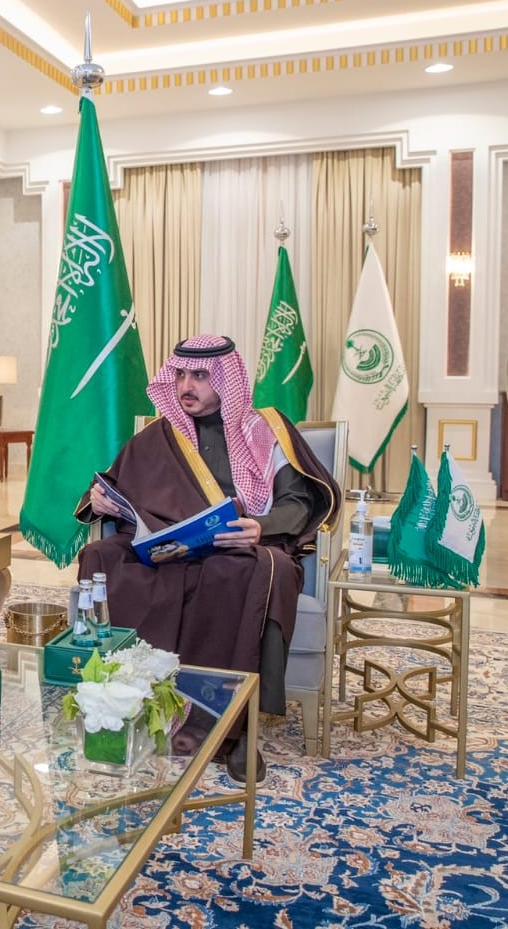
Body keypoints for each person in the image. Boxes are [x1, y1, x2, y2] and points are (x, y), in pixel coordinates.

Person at [75, 334, 339, 784]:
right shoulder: (159, 436)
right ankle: (120, 703)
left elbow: (298, 502)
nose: (186, 386)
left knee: (260, 572)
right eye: (179, 374)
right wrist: (98, 500)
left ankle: (237, 729)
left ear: (225, 379)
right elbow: (113, 487)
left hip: (237, 548)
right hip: (166, 548)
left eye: (199, 376)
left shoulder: (263, 431)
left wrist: (262, 527)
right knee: (100, 554)